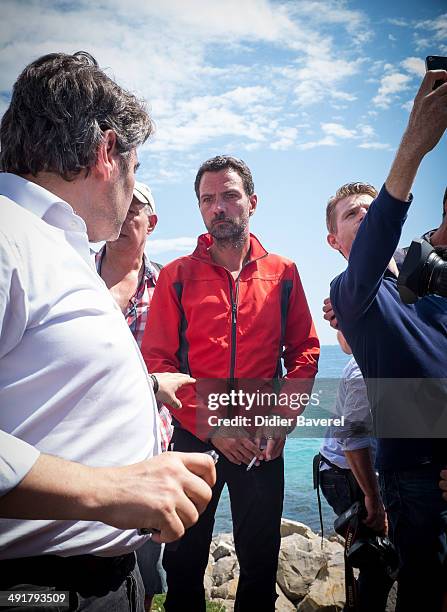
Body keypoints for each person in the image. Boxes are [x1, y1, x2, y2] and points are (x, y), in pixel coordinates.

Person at [0, 51, 215, 611]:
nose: (134, 186)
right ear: (106, 154)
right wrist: (110, 491)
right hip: (37, 589)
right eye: (136, 168)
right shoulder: (7, 236)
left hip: (100, 581)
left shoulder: (54, 246)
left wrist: (147, 389)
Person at [141, 155, 320, 612]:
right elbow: (158, 363)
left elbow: (304, 352)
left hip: (264, 440)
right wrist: (214, 427)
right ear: (200, 209)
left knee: (259, 564)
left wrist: (281, 420)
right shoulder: (177, 276)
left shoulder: (284, 273)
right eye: (207, 199)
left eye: (229, 196)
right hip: (194, 438)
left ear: (252, 203)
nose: (218, 207)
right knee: (182, 563)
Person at [324, 70, 447, 611]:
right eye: (354, 214)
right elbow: (375, 246)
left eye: (371, 208)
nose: (367, 215)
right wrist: (414, 146)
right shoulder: (351, 295)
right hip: (415, 477)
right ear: (334, 241)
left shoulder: (433, 276)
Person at [95, 181, 172, 609]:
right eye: (119, 206)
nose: (124, 216)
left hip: (148, 450)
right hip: (84, 447)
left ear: (152, 222)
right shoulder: (76, 278)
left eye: (135, 209)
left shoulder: (169, 285)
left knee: (144, 570)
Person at [318, 330, 393, 612]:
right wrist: (374, 498)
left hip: (349, 466)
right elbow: (352, 439)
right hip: (345, 473)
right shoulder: (364, 369)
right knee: (378, 562)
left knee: (380, 561)